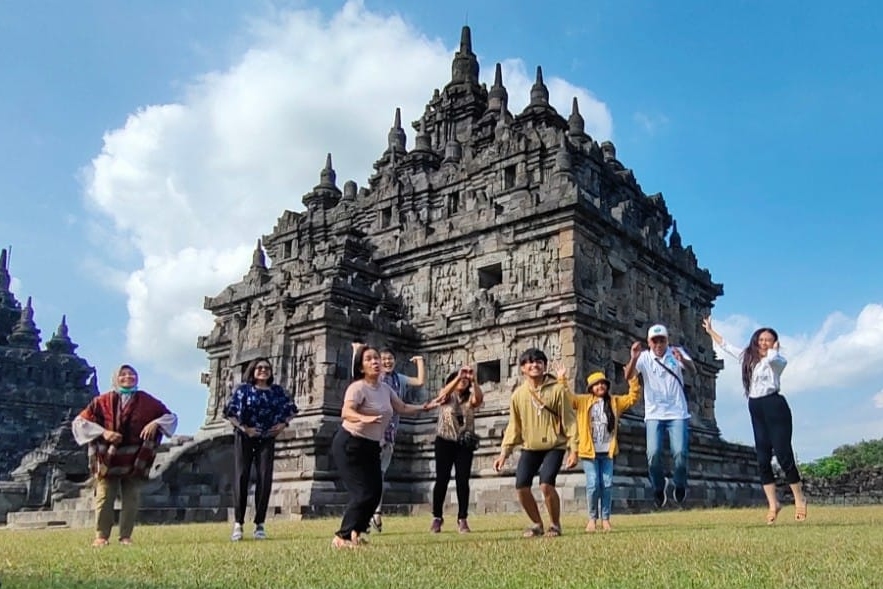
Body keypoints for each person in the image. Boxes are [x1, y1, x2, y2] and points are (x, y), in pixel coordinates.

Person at [702, 317, 808, 523]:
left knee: (784, 454)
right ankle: (773, 504)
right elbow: (726, 346)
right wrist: (710, 331)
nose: (764, 343)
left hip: (774, 406)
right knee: (762, 458)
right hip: (756, 407)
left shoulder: (778, 361)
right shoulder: (749, 359)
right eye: (761, 339)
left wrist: (773, 350)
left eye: (769, 340)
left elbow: (772, 360)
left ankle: (799, 499)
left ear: (775, 343)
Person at [331, 344, 437, 548]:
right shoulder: (358, 387)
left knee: (375, 492)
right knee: (362, 492)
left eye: (377, 358)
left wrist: (426, 407)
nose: (376, 362)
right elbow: (346, 411)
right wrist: (363, 418)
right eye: (369, 359)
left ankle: (356, 533)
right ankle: (341, 537)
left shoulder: (385, 388)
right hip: (350, 443)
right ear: (361, 367)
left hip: (371, 445)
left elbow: (402, 407)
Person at [71, 364, 178, 547]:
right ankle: (101, 536)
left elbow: (170, 417)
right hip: (108, 457)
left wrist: (155, 423)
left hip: (135, 458)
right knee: (105, 496)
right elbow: (80, 422)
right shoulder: (102, 401)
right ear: (115, 378)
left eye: (132, 374)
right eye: (123, 374)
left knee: (132, 497)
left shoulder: (146, 401)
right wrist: (104, 433)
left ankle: (125, 536)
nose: (128, 377)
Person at [492, 348, 578, 537]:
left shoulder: (557, 390)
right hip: (530, 447)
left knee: (546, 484)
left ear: (544, 366)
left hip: (554, 445)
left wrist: (574, 449)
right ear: (522, 368)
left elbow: (569, 420)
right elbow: (514, 427)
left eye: (539, 361)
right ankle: (537, 524)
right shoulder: (518, 395)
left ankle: (555, 525)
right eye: (529, 362)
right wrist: (503, 454)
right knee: (521, 486)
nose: (534, 365)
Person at [223, 357, 299, 541]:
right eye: (259, 368)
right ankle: (238, 524)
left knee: (265, 478)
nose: (263, 370)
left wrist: (282, 425)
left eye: (267, 368)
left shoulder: (276, 391)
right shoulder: (244, 390)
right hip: (245, 437)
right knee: (242, 476)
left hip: (266, 438)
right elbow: (229, 412)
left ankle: (259, 524)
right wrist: (244, 428)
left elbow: (292, 409)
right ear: (252, 370)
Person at [571, 349, 642, 532]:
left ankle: (606, 519)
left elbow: (633, 398)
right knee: (594, 484)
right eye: (596, 385)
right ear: (590, 388)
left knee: (607, 485)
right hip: (589, 452)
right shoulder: (582, 402)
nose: (600, 387)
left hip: (607, 452)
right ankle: (592, 519)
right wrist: (562, 379)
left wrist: (632, 378)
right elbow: (566, 399)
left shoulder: (614, 402)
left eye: (602, 384)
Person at [625, 324, 695, 508]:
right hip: (654, 413)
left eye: (661, 340)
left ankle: (679, 484)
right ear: (649, 342)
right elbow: (628, 375)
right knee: (653, 454)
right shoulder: (644, 357)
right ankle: (659, 485)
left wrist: (684, 361)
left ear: (667, 340)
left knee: (680, 453)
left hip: (677, 412)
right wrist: (633, 358)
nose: (658, 344)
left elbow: (694, 371)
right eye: (654, 341)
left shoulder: (676, 352)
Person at [368, 346, 426, 532]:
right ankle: (371, 512)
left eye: (390, 358)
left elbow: (419, 381)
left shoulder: (398, 379)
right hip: (372, 433)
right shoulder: (374, 380)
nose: (387, 362)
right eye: (383, 359)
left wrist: (420, 361)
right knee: (371, 475)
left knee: (379, 475)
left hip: (390, 434)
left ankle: (375, 512)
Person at [428, 365, 484, 533]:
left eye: (465, 380)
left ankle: (462, 518)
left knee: (462, 480)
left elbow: (479, 400)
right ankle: (437, 517)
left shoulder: (469, 399)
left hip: (463, 444)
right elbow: (442, 395)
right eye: (460, 379)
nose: (463, 381)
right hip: (444, 440)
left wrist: (474, 382)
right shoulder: (447, 397)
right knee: (442, 480)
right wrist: (458, 377)